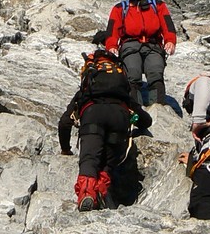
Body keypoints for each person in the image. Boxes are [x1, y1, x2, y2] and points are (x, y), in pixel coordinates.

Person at [58, 50, 152, 211]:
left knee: (89, 159)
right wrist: (141, 125)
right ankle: (101, 191)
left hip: (92, 115)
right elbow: (145, 120)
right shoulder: (122, 91)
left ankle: (87, 194)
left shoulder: (87, 91)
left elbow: (64, 123)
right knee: (108, 164)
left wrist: (65, 149)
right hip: (119, 118)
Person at [102, 0, 177, 106]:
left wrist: (170, 41)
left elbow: (168, 27)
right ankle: (135, 109)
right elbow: (112, 31)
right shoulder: (120, 9)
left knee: (156, 73)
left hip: (153, 45)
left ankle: (157, 108)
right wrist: (111, 46)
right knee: (132, 75)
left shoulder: (158, 6)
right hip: (130, 45)